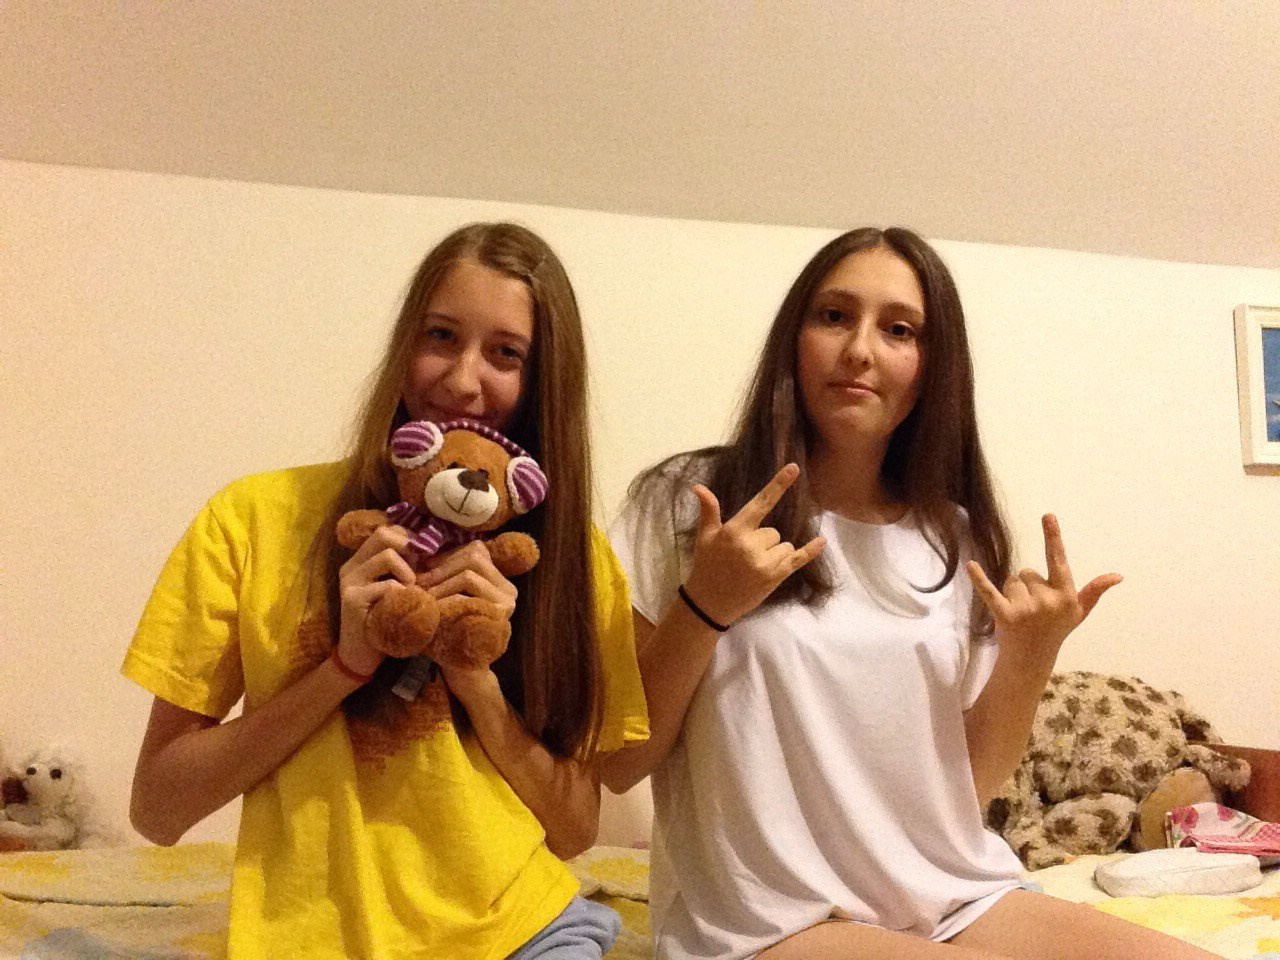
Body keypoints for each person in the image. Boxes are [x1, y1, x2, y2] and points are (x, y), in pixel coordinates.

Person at [602, 227, 1218, 959]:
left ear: (931, 370)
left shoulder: (957, 534)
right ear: (793, 340)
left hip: (954, 894)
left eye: (899, 330)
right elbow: (619, 765)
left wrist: (1031, 656)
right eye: (834, 316)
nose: (860, 349)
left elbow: (970, 784)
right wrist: (704, 608)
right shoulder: (688, 501)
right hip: (773, 920)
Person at [125, 222, 649, 960]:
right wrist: (343, 667)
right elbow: (157, 809)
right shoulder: (251, 519)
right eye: (441, 336)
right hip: (306, 942)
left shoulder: (573, 561)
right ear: (405, 344)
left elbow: (574, 829)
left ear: (542, 383)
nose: (462, 380)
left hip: (523, 932)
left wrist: (475, 680)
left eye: (506, 353)